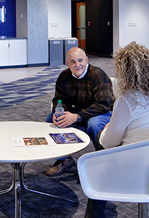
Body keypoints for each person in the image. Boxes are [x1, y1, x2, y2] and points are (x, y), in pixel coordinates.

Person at [72, 42, 149, 218]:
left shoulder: (128, 99)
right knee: (104, 151)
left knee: (99, 153)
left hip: (136, 167)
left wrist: (109, 127)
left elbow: (109, 142)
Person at [45, 47, 114, 177]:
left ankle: (103, 162)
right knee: (51, 119)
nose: (77, 65)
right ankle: (64, 159)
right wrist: (59, 113)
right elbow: (59, 100)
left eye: (80, 60)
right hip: (77, 112)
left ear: (86, 60)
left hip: (99, 113)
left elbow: (103, 104)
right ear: (68, 64)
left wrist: (77, 117)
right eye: (73, 62)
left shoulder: (98, 75)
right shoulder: (64, 77)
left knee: (94, 124)